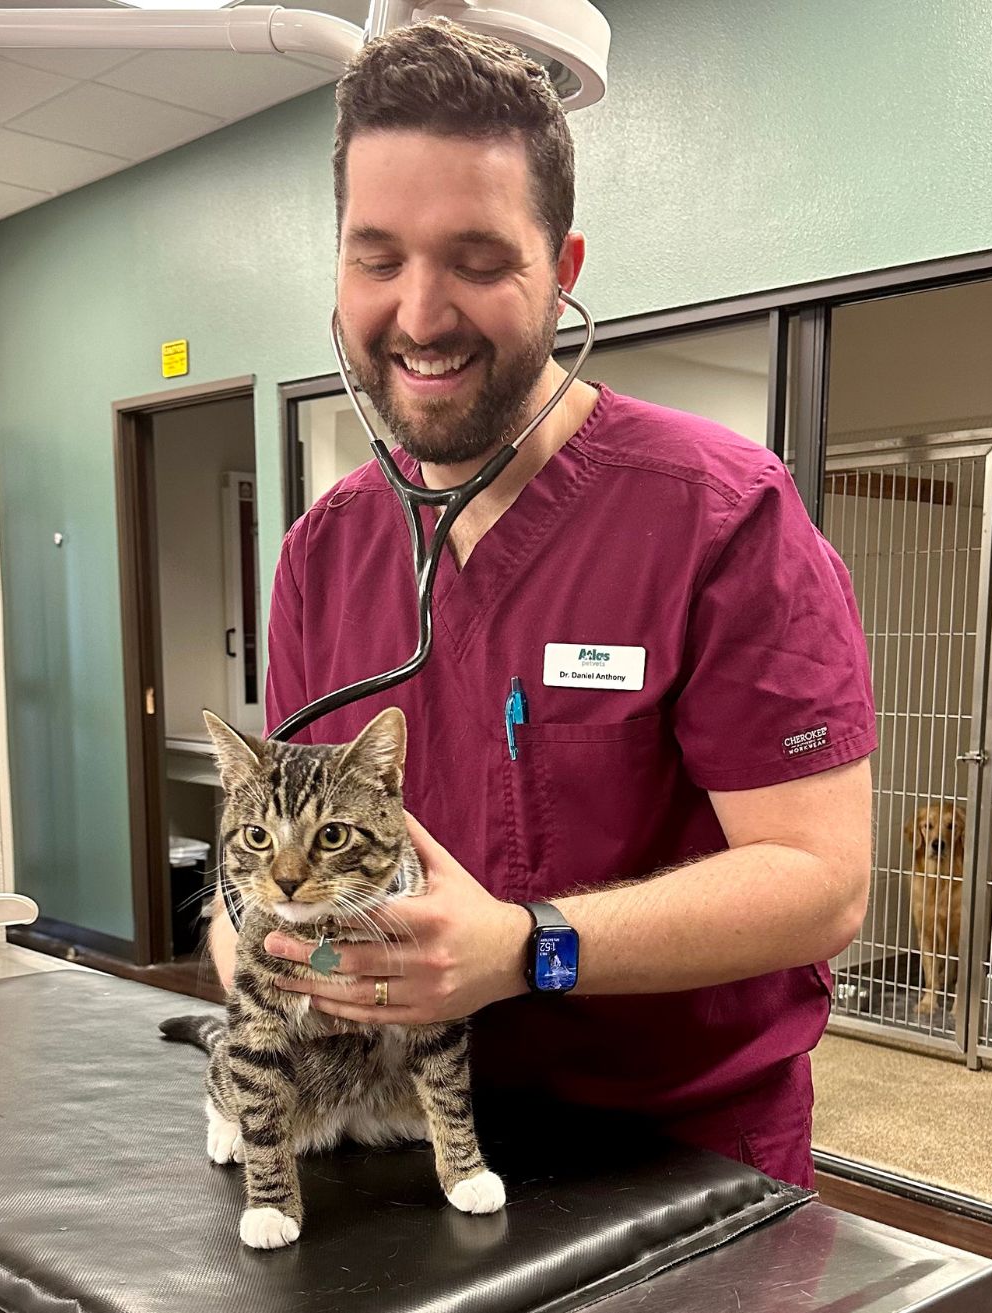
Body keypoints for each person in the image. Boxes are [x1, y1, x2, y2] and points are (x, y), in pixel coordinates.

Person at [209, 17, 875, 1188]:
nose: (419, 315)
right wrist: (257, 953)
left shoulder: (722, 518)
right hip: (400, 1138)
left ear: (563, 272)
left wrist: (526, 949)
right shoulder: (326, 550)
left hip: (679, 1159)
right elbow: (276, 831)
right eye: (377, 259)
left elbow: (820, 882)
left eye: (476, 259)